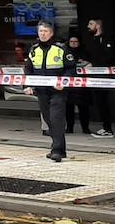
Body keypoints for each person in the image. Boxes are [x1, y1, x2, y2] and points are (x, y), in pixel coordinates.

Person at [24, 19, 76, 161]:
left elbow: (71, 68)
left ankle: (57, 151)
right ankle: (58, 148)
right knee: (48, 119)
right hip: (41, 91)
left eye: (46, 31)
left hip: (58, 90)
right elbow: (28, 68)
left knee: (56, 118)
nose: (43, 34)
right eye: (41, 31)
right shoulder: (34, 49)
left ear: (51, 33)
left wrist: (63, 82)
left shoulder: (61, 48)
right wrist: (28, 85)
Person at [83, 17, 115, 137]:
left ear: (97, 26)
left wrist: (94, 63)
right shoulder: (91, 39)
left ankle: (108, 129)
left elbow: (109, 57)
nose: (88, 26)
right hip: (93, 75)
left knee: (104, 101)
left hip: (103, 75)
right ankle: (105, 127)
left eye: (91, 24)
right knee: (98, 101)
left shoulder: (106, 39)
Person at [64, 31, 93, 136]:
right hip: (70, 84)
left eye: (76, 41)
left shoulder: (85, 52)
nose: (74, 43)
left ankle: (85, 128)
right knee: (69, 108)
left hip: (82, 84)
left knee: (84, 108)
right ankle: (69, 127)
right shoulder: (65, 52)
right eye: (71, 41)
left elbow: (90, 64)